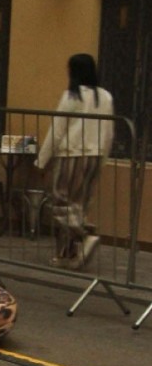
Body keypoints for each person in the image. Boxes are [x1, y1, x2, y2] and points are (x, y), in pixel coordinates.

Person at [36, 53, 114, 269]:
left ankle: (85, 234)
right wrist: (103, 158)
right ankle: (66, 254)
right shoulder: (105, 97)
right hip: (95, 156)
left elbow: (57, 130)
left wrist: (42, 160)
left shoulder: (72, 96)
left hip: (71, 154)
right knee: (78, 206)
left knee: (60, 202)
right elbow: (109, 132)